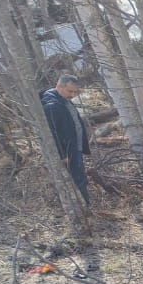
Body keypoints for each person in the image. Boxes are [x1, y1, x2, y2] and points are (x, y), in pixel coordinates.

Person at [40, 73, 90, 204]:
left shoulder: (64, 100)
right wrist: (63, 155)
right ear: (59, 86)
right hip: (68, 152)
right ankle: (84, 208)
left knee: (80, 178)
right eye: (70, 91)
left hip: (74, 148)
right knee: (77, 179)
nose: (73, 95)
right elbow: (52, 133)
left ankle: (85, 207)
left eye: (75, 92)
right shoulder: (52, 105)